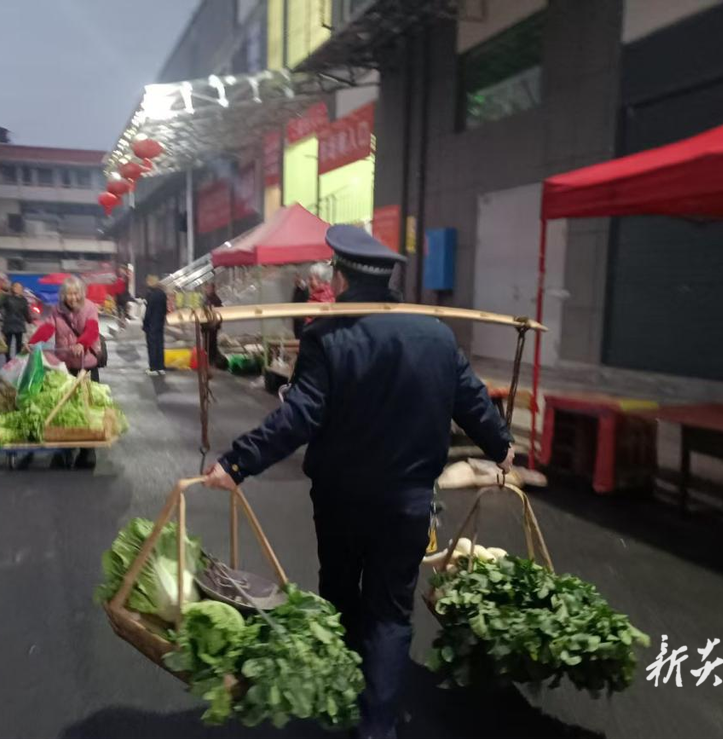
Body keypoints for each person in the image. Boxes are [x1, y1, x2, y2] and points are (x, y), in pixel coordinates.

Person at [204, 225, 514, 739]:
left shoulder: (327, 336)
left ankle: (341, 701)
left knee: (341, 596)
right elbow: (474, 402)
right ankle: (377, 729)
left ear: (342, 279)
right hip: (408, 505)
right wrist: (502, 448)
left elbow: (299, 416)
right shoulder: (437, 334)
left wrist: (237, 463)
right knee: (391, 614)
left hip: (341, 502)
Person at [28, 276, 103, 469]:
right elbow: (47, 328)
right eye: (68, 293)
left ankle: (88, 450)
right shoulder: (56, 310)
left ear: (81, 293)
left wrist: (82, 343)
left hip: (86, 363)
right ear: (63, 295)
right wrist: (32, 342)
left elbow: (92, 330)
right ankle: (66, 449)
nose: (72, 297)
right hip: (66, 363)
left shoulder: (90, 308)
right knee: (66, 407)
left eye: (75, 293)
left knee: (88, 407)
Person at [0, 282, 32, 362]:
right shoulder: (6, 298)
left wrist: (29, 320)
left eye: (19, 287)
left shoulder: (23, 300)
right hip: (9, 324)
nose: (18, 289)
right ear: (12, 288)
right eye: (16, 287)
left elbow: (26, 312)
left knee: (18, 345)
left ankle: (17, 361)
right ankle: (8, 360)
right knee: (8, 345)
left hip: (18, 324)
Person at [142, 274, 168, 376]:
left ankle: (153, 368)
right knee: (160, 345)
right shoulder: (162, 294)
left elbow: (148, 312)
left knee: (152, 346)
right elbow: (165, 309)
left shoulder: (150, 294)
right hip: (160, 323)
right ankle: (161, 367)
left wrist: (145, 324)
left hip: (151, 324)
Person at [202, 282, 223, 368]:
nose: (207, 289)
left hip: (212, 325)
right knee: (207, 343)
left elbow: (218, 312)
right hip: (206, 325)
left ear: (213, 289)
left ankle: (211, 360)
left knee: (212, 343)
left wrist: (215, 323)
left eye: (209, 288)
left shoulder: (215, 299)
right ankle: (208, 359)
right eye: (206, 288)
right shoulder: (206, 298)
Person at [290, 273, 310, 340]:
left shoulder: (304, 289)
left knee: (301, 334)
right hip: (296, 316)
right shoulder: (297, 289)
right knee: (297, 335)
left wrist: (300, 281)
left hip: (302, 317)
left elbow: (305, 290)